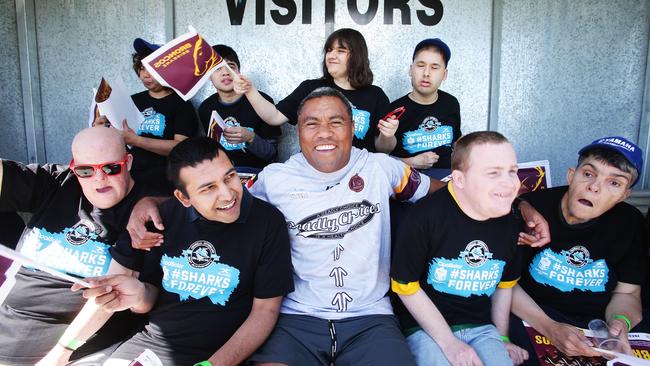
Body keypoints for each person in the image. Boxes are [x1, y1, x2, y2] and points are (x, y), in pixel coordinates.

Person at [126, 89, 550, 365]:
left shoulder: (384, 169)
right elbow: (217, 198)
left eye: (336, 122)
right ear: (299, 131)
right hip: (295, 319)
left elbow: (450, 191)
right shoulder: (274, 179)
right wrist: (150, 201)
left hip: (370, 318)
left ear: (353, 129)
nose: (324, 132)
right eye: (311, 123)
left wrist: (521, 203)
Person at [79, 136, 294, 365]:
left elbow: (265, 311)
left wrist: (212, 365)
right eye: (208, 188)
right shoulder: (164, 217)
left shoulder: (267, 222)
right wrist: (139, 293)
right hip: (152, 346)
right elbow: (153, 293)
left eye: (230, 177)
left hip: (224, 355)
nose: (228, 194)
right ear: (184, 198)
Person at [0, 127, 144, 366]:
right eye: (86, 170)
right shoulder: (59, 183)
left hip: (69, 353)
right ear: (74, 167)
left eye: (111, 168)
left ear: (127, 162)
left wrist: (60, 354)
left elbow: (109, 298)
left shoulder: (139, 213)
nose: (99, 178)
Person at [391, 131, 529, 366]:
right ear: (460, 179)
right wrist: (450, 344)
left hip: (481, 326)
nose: (508, 182)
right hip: (424, 327)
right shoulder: (424, 217)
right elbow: (405, 287)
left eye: (512, 171)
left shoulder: (512, 222)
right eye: (493, 173)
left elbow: (505, 286)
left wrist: (502, 336)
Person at [510, 136, 647, 364]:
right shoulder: (533, 210)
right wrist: (550, 328)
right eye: (588, 174)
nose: (594, 187)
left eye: (614, 183)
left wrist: (620, 323)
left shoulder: (629, 222)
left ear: (624, 196)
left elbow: (628, 293)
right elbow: (504, 285)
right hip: (535, 314)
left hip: (598, 321)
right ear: (571, 175)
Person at [235, 28, 395, 153]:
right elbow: (274, 117)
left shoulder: (376, 95)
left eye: (340, 51)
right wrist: (249, 90)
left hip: (359, 173)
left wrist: (387, 135)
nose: (331, 55)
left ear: (357, 56)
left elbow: (384, 148)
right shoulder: (311, 88)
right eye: (329, 50)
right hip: (315, 170)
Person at [96, 37, 199, 194]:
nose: (145, 75)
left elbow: (180, 147)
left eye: (152, 68)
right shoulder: (132, 100)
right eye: (142, 68)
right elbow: (117, 136)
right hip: (130, 181)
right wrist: (101, 128)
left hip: (166, 184)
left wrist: (137, 141)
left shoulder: (181, 103)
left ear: (167, 69)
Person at [198, 44, 281, 174]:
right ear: (208, 76)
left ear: (238, 71)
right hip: (222, 175)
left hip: (258, 174)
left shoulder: (262, 102)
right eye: (217, 68)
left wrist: (250, 138)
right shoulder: (206, 108)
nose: (225, 72)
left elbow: (272, 154)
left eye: (230, 67)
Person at [388, 38, 461, 180]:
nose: (426, 73)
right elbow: (381, 159)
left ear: (444, 74)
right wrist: (411, 162)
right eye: (421, 65)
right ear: (411, 69)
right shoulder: (396, 109)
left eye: (434, 67)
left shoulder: (451, 103)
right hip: (408, 182)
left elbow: (456, 141)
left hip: (447, 181)